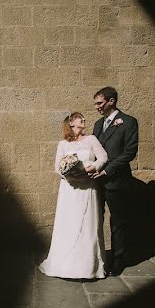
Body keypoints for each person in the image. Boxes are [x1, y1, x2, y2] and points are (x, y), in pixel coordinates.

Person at [38, 112, 109, 279]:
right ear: (71, 123)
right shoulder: (63, 144)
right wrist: (69, 175)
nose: (83, 119)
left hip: (88, 187)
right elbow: (58, 167)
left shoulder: (91, 139)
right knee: (68, 222)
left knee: (88, 223)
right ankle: (66, 264)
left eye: (83, 118)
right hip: (69, 189)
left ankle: (88, 267)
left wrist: (93, 167)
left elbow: (104, 157)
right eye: (79, 117)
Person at [88, 86, 139, 277]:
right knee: (95, 220)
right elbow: (94, 151)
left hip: (116, 181)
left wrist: (107, 170)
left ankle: (118, 261)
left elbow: (129, 152)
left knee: (117, 222)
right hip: (96, 182)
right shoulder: (97, 125)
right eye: (95, 104)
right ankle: (98, 258)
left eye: (99, 103)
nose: (97, 107)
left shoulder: (129, 122)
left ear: (111, 101)